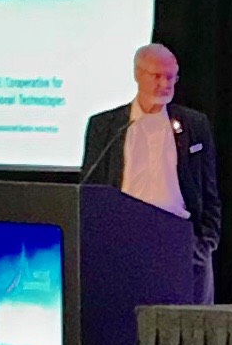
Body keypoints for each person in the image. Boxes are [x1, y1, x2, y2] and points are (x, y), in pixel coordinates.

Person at [79, 42, 222, 296]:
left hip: (182, 244)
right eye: (157, 76)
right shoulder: (107, 126)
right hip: (123, 243)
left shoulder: (194, 125)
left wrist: (204, 243)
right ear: (137, 74)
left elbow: (209, 190)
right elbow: (92, 187)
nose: (165, 84)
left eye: (171, 77)